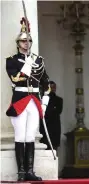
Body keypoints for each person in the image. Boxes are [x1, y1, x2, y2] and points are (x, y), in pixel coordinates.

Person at [5, 18, 51, 181]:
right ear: (18, 43)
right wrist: (27, 65)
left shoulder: (39, 60)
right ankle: (21, 172)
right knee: (20, 136)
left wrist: (44, 103)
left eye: (29, 41)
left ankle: (30, 170)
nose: (27, 43)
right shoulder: (11, 60)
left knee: (30, 135)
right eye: (24, 41)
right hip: (20, 99)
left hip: (34, 100)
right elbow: (15, 79)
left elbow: (46, 83)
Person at [40, 81, 63, 151]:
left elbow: (58, 111)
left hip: (54, 126)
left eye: (54, 87)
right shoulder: (42, 99)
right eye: (51, 87)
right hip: (44, 126)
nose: (52, 89)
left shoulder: (59, 100)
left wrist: (49, 110)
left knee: (53, 147)